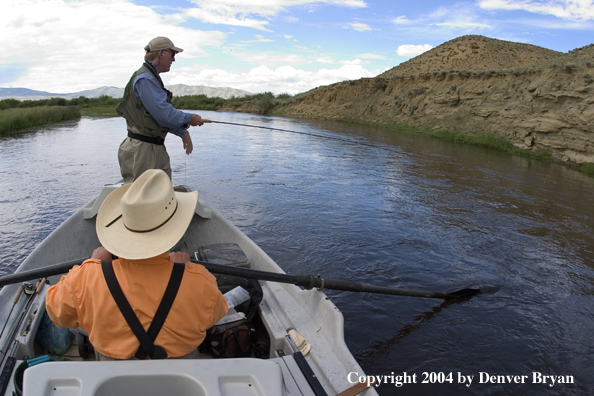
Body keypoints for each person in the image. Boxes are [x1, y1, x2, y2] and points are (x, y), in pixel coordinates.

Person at [45, 169, 228, 360]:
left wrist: (96, 265)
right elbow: (216, 315)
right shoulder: (199, 280)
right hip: (181, 380)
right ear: (175, 228)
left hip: (114, 380)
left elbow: (56, 313)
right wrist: (182, 270)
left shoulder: (84, 278)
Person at [116, 36, 205, 183]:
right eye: (172, 54)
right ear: (161, 54)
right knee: (144, 201)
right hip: (142, 151)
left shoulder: (151, 78)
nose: (174, 60)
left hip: (153, 148)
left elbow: (154, 117)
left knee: (160, 196)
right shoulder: (145, 79)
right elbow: (164, 115)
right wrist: (190, 118)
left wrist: (182, 131)